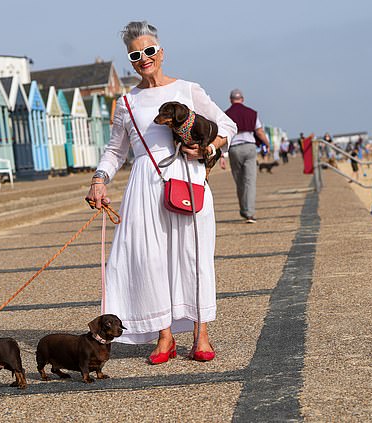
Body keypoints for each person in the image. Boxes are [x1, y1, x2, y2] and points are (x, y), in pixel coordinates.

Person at [85, 21, 237, 364]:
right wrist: (99, 179)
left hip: (189, 180)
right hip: (144, 187)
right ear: (130, 60)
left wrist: (209, 149)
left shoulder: (187, 88)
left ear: (161, 52)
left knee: (194, 257)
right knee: (151, 262)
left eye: (149, 51)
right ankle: (164, 336)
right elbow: (115, 151)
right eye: (136, 54)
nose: (144, 58)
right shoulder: (126, 101)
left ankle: (202, 334)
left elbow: (227, 126)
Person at [224, 89, 269, 223]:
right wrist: (267, 144)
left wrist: (221, 156)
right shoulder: (252, 113)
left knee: (239, 181)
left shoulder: (226, 115)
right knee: (250, 181)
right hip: (249, 148)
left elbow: (222, 134)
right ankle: (249, 213)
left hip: (233, 149)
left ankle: (244, 209)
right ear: (242, 99)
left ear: (231, 99)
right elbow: (259, 132)